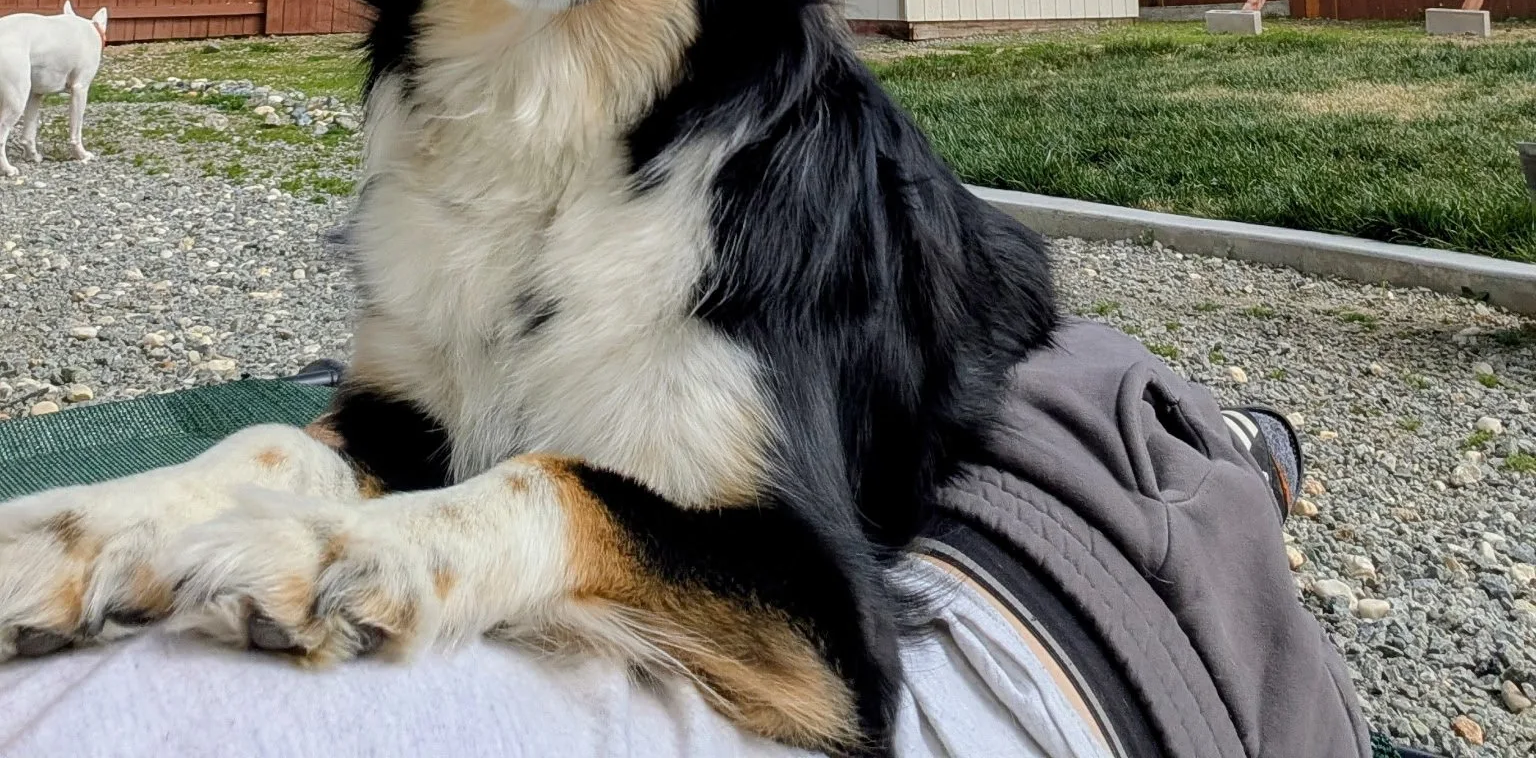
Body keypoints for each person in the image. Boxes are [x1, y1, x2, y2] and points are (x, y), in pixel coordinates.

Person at [1, 318, 1420, 758]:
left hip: (1000, 518)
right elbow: (820, 673)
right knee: (1168, 442)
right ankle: (1255, 455)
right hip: (1060, 601)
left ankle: (1249, 450)